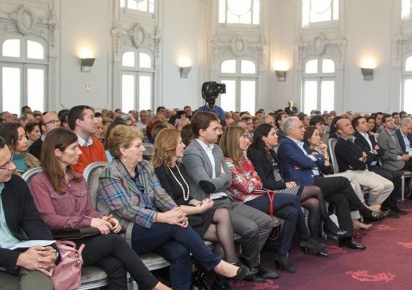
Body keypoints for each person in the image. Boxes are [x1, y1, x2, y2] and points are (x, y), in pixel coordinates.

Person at [96, 125, 249, 289]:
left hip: (153, 228)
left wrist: (176, 212)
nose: (143, 149)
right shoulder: (110, 173)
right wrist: (163, 217)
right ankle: (215, 264)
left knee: (180, 252)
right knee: (173, 227)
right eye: (138, 146)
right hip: (127, 232)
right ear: (123, 150)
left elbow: (161, 195)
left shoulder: (145, 167)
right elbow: (126, 209)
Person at [30, 128, 171, 290]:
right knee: (115, 241)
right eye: (73, 148)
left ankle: (152, 285)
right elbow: (49, 219)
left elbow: (89, 211)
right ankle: (154, 285)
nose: (79, 153)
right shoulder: (40, 182)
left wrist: (106, 219)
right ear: (57, 152)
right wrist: (91, 221)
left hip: (84, 238)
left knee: (116, 265)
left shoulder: (77, 179)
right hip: (62, 243)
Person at [181, 112, 277, 282]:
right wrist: (222, 178)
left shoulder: (216, 149)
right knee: (250, 228)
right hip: (211, 205)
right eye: (215, 128)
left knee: (266, 222)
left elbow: (229, 179)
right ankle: (250, 267)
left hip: (226, 199)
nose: (219, 132)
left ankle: (248, 263)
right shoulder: (191, 153)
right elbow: (206, 184)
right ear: (202, 131)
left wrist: (221, 180)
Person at [220, 126, 326, 273]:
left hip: (260, 195)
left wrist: (253, 181)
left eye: (247, 136)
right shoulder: (227, 162)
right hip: (246, 201)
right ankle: (305, 238)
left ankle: (282, 255)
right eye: (243, 137)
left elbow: (257, 180)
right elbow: (247, 187)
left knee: (292, 212)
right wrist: (253, 181)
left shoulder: (244, 158)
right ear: (233, 141)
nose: (247, 140)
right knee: (293, 199)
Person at [278, 117, 382, 250]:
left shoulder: (301, 144)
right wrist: (314, 158)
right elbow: (307, 162)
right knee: (343, 181)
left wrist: (316, 157)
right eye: (300, 127)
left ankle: (347, 238)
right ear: (291, 130)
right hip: (305, 184)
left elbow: (319, 161)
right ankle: (364, 211)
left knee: (341, 198)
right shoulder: (286, 145)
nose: (303, 129)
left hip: (315, 180)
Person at [0, 133, 57, 290]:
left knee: (40, 277)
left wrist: (50, 249)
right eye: (4, 165)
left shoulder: (15, 184)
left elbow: (33, 222)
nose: (13, 167)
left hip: (20, 252)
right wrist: (18, 259)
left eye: (11, 159)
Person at [152, 128, 240, 268]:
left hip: (190, 208)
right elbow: (171, 205)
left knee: (223, 214)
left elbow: (186, 195)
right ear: (169, 146)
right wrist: (200, 209)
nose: (184, 146)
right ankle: (230, 266)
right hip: (178, 216)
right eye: (180, 142)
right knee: (222, 235)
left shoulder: (179, 167)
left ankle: (230, 265)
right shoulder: (159, 170)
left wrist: (198, 202)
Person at [248, 124, 346, 239]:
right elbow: (264, 181)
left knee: (315, 203)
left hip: (283, 187)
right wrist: (285, 184)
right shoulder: (255, 153)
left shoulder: (271, 152)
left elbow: (279, 174)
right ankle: (328, 224)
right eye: (273, 134)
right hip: (273, 191)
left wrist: (287, 183)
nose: (277, 137)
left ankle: (313, 241)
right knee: (316, 189)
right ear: (263, 137)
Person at [68, 105, 108, 173]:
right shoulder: (68, 145)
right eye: (91, 118)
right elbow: (81, 174)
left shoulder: (97, 143)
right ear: (79, 122)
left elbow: (105, 169)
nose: (96, 122)